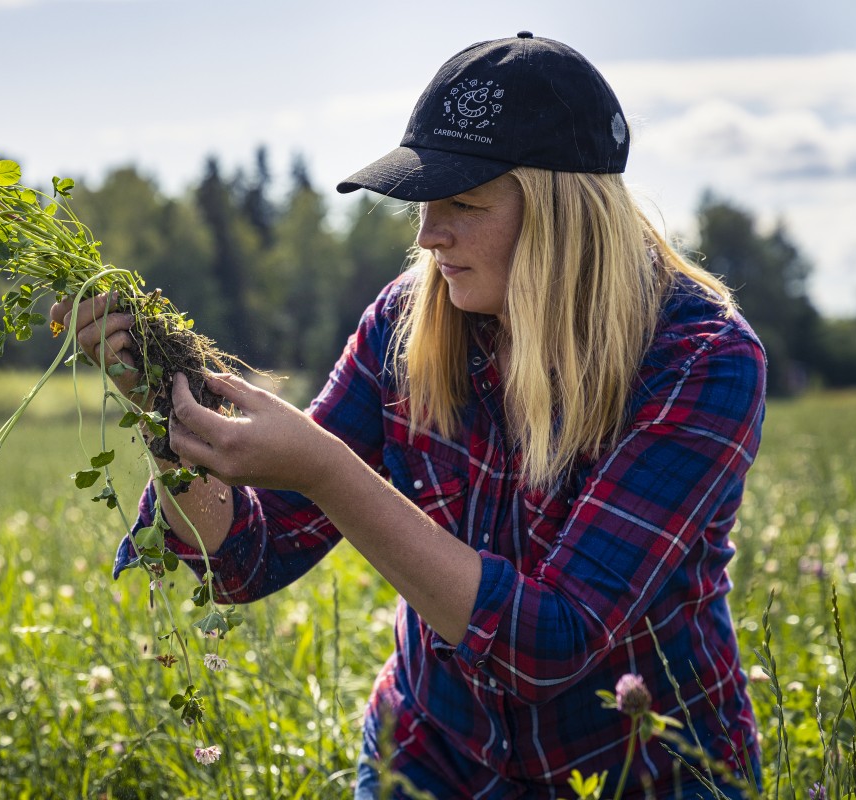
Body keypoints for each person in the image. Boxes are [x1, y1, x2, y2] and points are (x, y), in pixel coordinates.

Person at [52, 32, 765, 800]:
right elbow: (248, 554)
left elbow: (551, 642)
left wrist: (327, 472)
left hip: (644, 771)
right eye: (425, 202)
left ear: (564, 213)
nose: (429, 235)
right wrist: (166, 406)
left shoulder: (700, 359)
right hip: (427, 763)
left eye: (464, 202)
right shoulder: (407, 320)